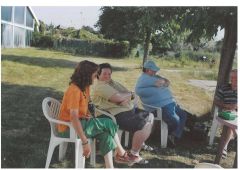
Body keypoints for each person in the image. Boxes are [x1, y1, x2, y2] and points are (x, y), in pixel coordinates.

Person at [57, 60, 135, 168]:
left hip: (82, 123)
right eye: (94, 75)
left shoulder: (85, 87)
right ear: (87, 75)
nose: (95, 77)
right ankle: (121, 153)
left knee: (106, 135)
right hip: (69, 128)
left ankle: (110, 167)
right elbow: (73, 117)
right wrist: (84, 142)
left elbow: (84, 106)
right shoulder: (74, 90)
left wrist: (87, 114)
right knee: (108, 122)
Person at [91, 63, 154, 165]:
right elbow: (120, 97)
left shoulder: (111, 82)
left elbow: (127, 93)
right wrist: (125, 96)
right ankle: (134, 154)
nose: (107, 76)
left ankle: (139, 142)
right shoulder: (100, 86)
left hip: (128, 109)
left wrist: (127, 96)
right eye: (104, 74)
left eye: (109, 74)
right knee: (145, 123)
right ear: (98, 74)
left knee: (150, 116)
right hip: (116, 114)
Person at [135, 60, 189, 147]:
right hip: (159, 107)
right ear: (148, 70)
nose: (155, 72)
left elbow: (167, 82)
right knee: (175, 120)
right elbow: (161, 82)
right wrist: (163, 81)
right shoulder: (144, 79)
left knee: (183, 115)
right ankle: (170, 135)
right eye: (154, 70)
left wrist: (164, 81)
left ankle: (173, 135)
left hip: (169, 103)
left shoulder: (153, 76)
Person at [214, 69, 237, 159]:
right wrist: (226, 105)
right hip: (227, 112)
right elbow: (216, 101)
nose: (234, 80)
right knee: (230, 123)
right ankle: (228, 145)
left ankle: (224, 147)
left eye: (236, 78)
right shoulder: (224, 87)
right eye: (232, 77)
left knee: (232, 123)